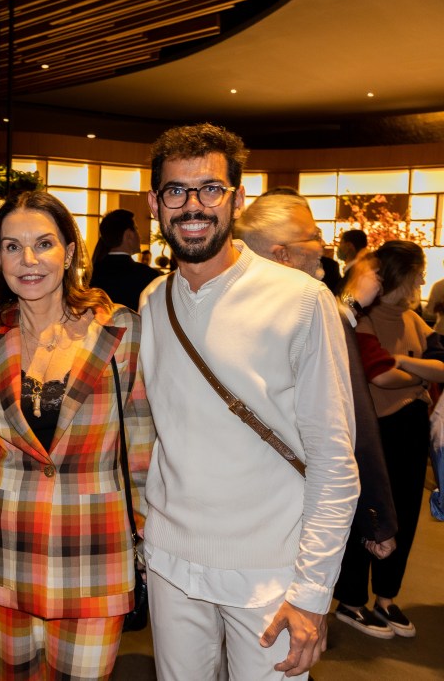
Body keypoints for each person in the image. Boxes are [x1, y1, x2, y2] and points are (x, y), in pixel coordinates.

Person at [138, 122, 359, 680]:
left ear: (237, 198)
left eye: (210, 189)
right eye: (176, 191)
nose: (193, 206)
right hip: (170, 563)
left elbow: (334, 462)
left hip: (270, 570)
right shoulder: (151, 301)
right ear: (155, 203)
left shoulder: (302, 302)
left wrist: (312, 592)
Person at [0, 191, 154, 680]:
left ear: (69, 252)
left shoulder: (120, 332)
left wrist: (149, 540)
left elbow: (142, 454)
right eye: (12, 246)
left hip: (95, 555)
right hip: (2, 550)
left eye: (44, 244)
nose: (29, 260)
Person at [236, 192, 398, 557]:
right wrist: (378, 517)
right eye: (314, 237)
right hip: (292, 506)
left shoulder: (223, 304)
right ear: (283, 254)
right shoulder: (313, 308)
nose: (323, 246)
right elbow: (347, 417)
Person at [333, 242, 444, 639]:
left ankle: (385, 597)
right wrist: (420, 374)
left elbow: (440, 364)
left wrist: (405, 365)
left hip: (412, 432)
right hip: (374, 433)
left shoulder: (415, 320)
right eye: (415, 274)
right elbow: (379, 375)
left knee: (406, 517)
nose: (419, 283)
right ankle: (350, 600)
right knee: (369, 514)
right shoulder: (359, 318)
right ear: (395, 276)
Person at [88, 208, 160, 311]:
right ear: (129, 235)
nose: (139, 236)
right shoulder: (147, 276)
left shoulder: (90, 275)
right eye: (136, 229)